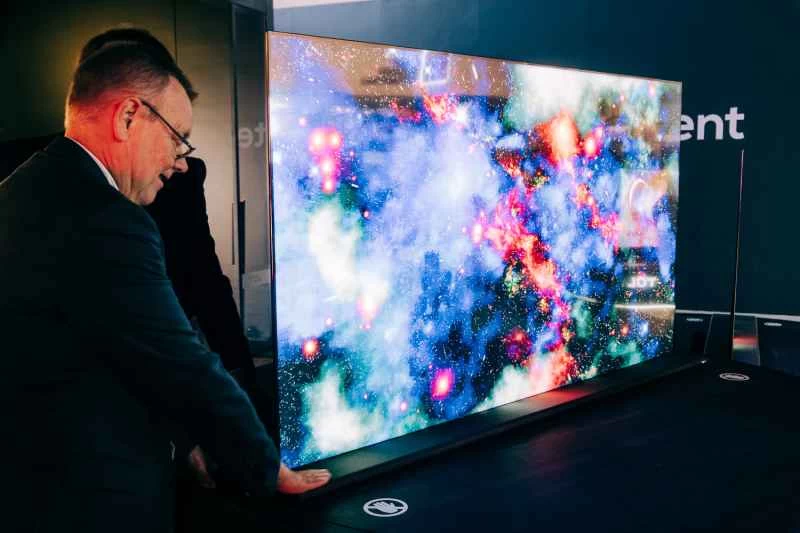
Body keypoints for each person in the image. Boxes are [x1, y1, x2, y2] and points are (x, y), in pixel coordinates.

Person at [1, 34, 329, 533]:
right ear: (128, 116)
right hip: (92, 499)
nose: (180, 161)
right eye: (178, 138)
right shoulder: (107, 219)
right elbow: (179, 360)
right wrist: (267, 467)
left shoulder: (19, 190)